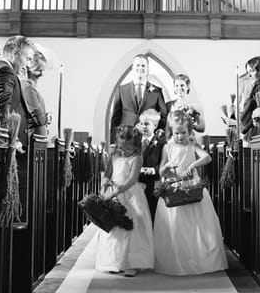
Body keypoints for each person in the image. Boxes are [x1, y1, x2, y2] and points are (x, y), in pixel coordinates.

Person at [154, 110, 228, 276]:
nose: (180, 136)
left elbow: (207, 157)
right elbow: (161, 171)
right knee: (176, 226)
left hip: (192, 185)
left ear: (189, 131)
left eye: (184, 133)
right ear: (172, 132)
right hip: (174, 187)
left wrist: (192, 166)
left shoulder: (192, 145)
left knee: (197, 225)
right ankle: (177, 261)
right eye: (177, 133)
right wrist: (167, 168)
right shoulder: (167, 147)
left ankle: (201, 260)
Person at [95, 125, 154, 277]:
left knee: (131, 225)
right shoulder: (114, 156)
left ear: (136, 147)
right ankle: (114, 261)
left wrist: (118, 190)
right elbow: (107, 174)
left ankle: (131, 263)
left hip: (130, 195)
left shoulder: (137, 158)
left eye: (127, 149)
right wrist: (105, 182)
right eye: (121, 147)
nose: (123, 151)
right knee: (114, 228)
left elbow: (132, 179)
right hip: (113, 193)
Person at [110, 54, 167, 141]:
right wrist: (113, 140)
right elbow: (115, 118)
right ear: (133, 68)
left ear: (148, 69)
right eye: (138, 65)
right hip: (126, 138)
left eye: (143, 65)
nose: (140, 68)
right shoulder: (121, 90)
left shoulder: (157, 91)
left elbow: (163, 116)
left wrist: (157, 136)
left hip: (148, 139)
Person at [0, 35, 35, 147]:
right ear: (15, 54)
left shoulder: (5, 70)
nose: (28, 65)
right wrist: (13, 140)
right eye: (28, 59)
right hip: (7, 143)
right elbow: (2, 110)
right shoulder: (5, 71)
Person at [136, 109, 166, 221]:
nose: (143, 126)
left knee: (151, 211)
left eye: (147, 124)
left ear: (155, 125)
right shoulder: (135, 140)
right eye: (142, 124)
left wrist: (153, 170)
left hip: (153, 183)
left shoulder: (161, 143)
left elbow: (164, 162)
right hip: (137, 181)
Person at [21, 50, 50, 137]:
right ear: (29, 69)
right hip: (35, 137)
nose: (41, 74)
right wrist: (47, 118)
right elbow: (39, 119)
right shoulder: (28, 88)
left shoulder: (29, 87)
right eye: (39, 70)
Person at [240, 56, 260, 142]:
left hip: (259, 131)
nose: (249, 75)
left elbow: (247, 114)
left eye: (251, 71)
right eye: (247, 72)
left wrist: (243, 129)